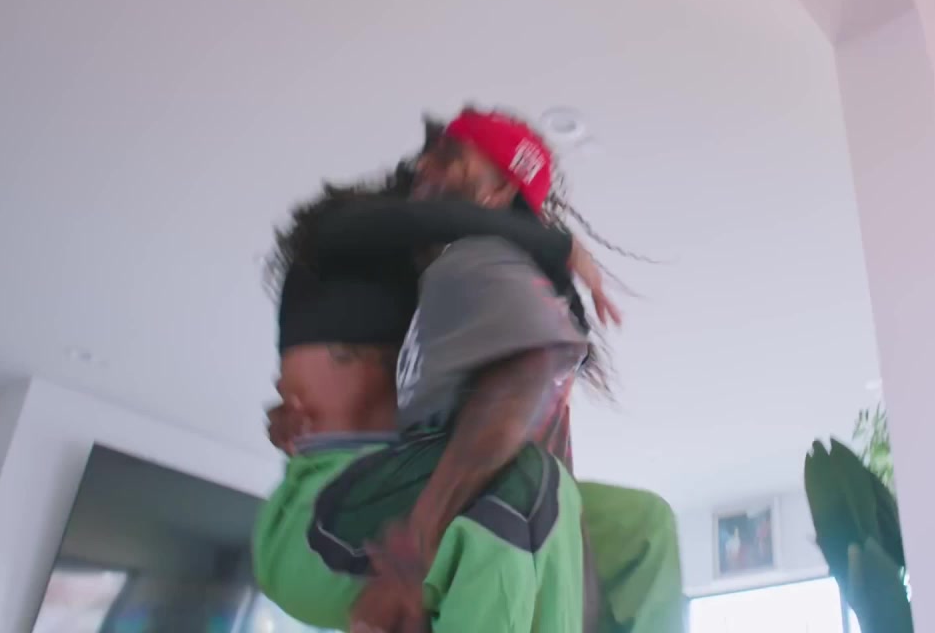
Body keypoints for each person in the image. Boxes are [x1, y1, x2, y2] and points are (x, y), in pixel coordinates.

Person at [317, 108, 685, 633]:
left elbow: (527, 374)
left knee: (632, 523)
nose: (424, 164)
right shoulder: (461, 274)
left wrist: (414, 550)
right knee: (644, 525)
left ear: (495, 194)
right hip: (529, 533)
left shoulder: (478, 257)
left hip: (494, 527)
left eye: (450, 157)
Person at [253, 169, 603, 631]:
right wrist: (557, 245)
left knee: (635, 525)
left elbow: (550, 338)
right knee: (524, 481)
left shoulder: (436, 305)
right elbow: (432, 220)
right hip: (317, 518)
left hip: (392, 487)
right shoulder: (335, 240)